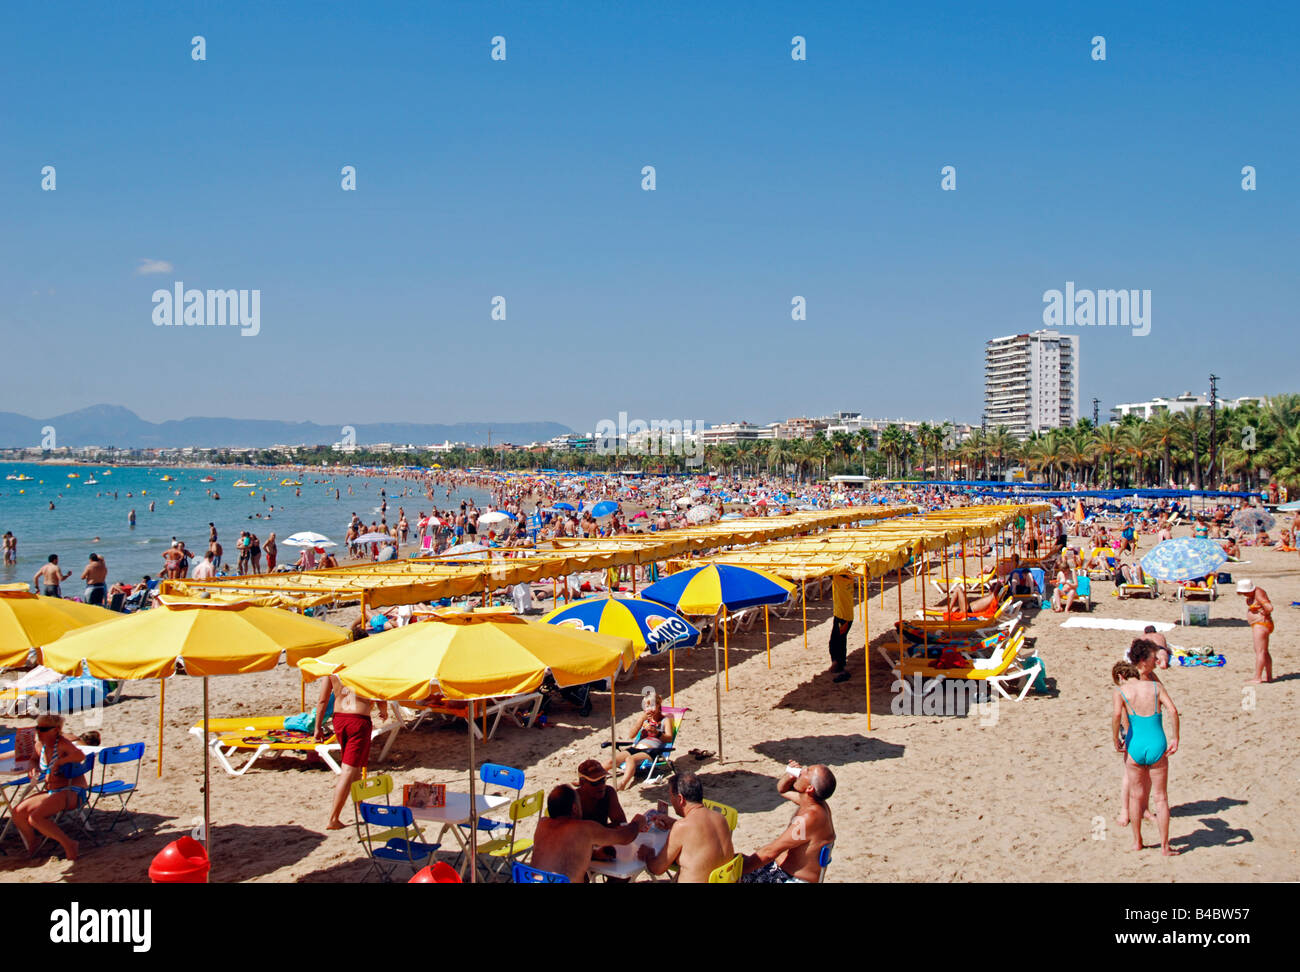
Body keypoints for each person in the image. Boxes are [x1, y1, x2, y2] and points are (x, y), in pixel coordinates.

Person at [1112, 641, 1179, 855]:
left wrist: (1116, 740)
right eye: (1153, 658)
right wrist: (1176, 737)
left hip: (1135, 742)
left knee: (1135, 795)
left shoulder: (1122, 690)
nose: (1157, 662)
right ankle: (1165, 846)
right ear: (1143, 660)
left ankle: (1137, 841)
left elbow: (1116, 716)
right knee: (1162, 797)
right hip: (1156, 741)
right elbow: (1173, 711)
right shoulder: (1155, 686)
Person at [9, 713, 88, 860]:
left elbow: (80, 756)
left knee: (35, 818)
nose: (39, 732)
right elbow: (33, 759)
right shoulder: (40, 746)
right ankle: (34, 843)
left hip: (72, 790)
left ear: (56, 730)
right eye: (38, 728)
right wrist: (33, 768)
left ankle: (69, 844)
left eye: (43, 729)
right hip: (53, 790)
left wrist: (59, 763)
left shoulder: (63, 744)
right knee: (17, 813)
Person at [315, 672, 388, 831]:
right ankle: (334, 818)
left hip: (339, 719)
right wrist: (384, 710)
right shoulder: (363, 666)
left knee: (355, 767)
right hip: (358, 720)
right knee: (348, 769)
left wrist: (317, 727)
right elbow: (378, 693)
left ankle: (359, 807)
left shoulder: (332, 670)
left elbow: (322, 700)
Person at [741, 762, 837, 883]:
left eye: (807, 771)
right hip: (781, 871)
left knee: (733, 872)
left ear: (809, 788)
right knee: (736, 859)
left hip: (791, 879)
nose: (802, 770)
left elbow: (770, 852)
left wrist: (738, 870)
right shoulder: (814, 803)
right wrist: (790, 776)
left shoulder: (809, 817)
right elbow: (782, 790)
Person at [530, 784, 644, 882]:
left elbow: (558, 853)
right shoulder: (584, 828)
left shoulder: (542, 824)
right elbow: (624, 837)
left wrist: (593, 855)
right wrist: (637, 823)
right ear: (574, 808)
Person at [637, 772, 735, 883]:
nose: (671, 802)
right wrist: (674, 823)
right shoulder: (720, 819)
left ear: (680, 799)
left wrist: (647, 854)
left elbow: (657, 868)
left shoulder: (682, 827)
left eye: (671, 797)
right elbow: (700, 836)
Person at [603, 687, 673, 790]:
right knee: (611, 760)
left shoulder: (665, 720)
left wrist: (656, 733)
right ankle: (590, 778)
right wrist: (640, 721)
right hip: (636, 748)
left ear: (659, 705)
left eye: (652, 705)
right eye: (647, 706)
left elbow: (669, 738)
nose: (649, 709)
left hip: (651, 751)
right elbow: (631, 735)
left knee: (630, 759)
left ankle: (622, 784)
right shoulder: (645, 720)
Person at [1237, 579, 1273, 684]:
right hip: (1262, 624)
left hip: (1261, 624)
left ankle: (1257, 677)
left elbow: (1269, 607)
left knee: (1260, 651)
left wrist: (1264, 612)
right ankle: (1269, 677)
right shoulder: (1257, 592)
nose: (1243, 595)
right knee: (1264, 651)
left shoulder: (1258, 594)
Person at [827, 573, 854, 683]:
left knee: (836, 641)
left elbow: (828, 571)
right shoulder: (849, 579)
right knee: (839, 640)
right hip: (846, 616)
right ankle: (838, 663)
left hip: (842, 617)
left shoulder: (839, 579)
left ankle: (839, 664)